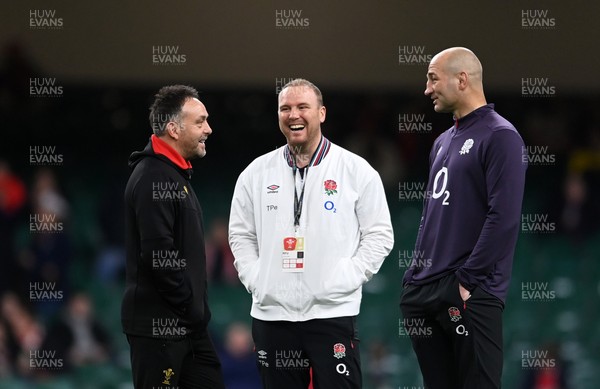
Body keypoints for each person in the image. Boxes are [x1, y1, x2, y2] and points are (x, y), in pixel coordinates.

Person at [229, 78, 394, 388]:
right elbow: (240, 235)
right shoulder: (255, 173)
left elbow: (380, 235)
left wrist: (346, 277)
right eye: (285, 108)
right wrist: (257, 278)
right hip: (272, 316)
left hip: (332, 314)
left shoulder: (355, 171)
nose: (294, 115)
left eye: (303, 107)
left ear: (321, 113)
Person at [400, 47, 527, 389]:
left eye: (432, 78)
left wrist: (467, 281)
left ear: (462, 79)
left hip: (469, 290)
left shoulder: (501, 136)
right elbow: (432, 214)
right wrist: (414, 277)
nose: (427, 89)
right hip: (425, 289)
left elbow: (504, 217)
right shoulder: (442, 141)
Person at [122, 85, 225, 388]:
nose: (208, 128)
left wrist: (193, 313)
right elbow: (158, 255)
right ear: (173, 129)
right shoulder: (152, 176)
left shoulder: (175, 175)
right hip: (159, 328)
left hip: (189, 327)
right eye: (200, 121)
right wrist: (187, 303)